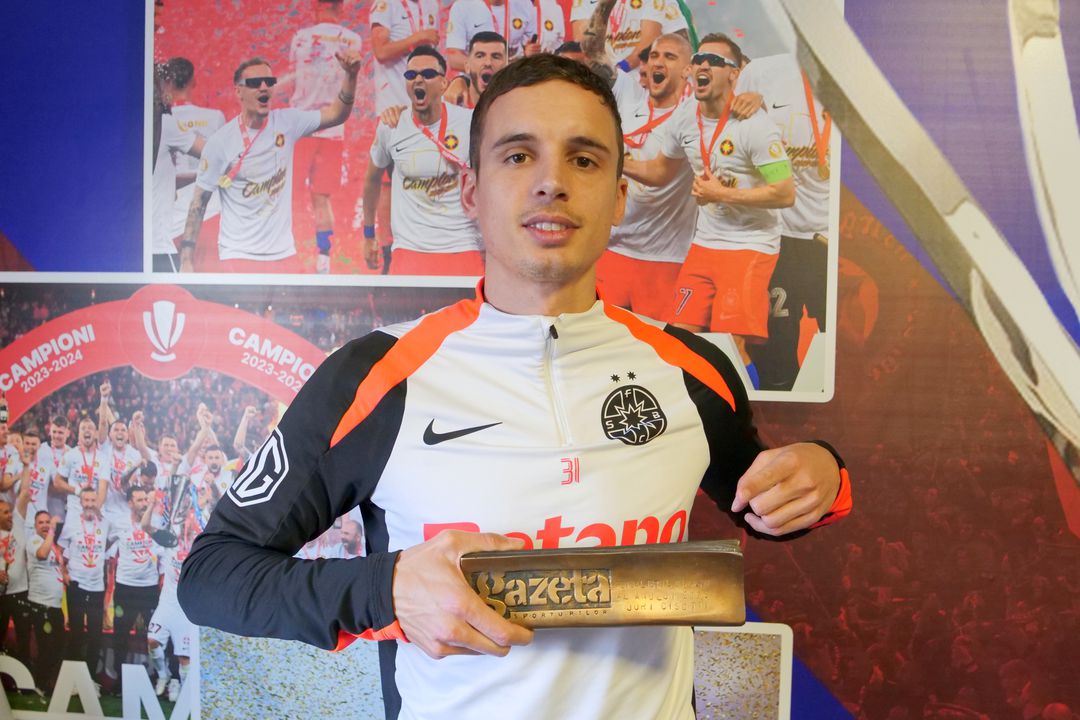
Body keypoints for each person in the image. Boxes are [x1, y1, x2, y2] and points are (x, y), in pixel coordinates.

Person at [180, 55, 851, 719]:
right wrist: (387, 588)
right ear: (472, 192)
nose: (551, 183)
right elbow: (212, 576)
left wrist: (823, 472)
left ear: (620, 196)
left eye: (583, 159)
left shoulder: (694, 368)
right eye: (519, 156)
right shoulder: (375, 374)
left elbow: (767, 502)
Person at [623, 33, 795, 388]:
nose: (704, 65)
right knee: (679, 339)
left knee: (732, 345)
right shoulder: (685, 117)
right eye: (699, 59)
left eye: (715, 61)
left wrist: (721, 194)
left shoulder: (756, 125)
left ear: (734, 73)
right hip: (704, 245)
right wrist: (616, 161)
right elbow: (660, 171)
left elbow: (784, 193)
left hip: (750, 246)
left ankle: (749, 412)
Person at [179, 52, 362, 273]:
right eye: (255, 83)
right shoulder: (220, 143)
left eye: (269, 81)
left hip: (284, 255)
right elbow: (199, 203)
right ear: (238, 91)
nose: (264, 87)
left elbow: (336, 114)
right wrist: (186, 259)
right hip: (239, 256)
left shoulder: (287, 122)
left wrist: (351, 76)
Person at [582, 16, 695, 320]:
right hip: (613, 251)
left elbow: (659, 175)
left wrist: (752, 98)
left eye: (669, 57)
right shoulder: (629, 96)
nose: (658, 62)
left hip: (665, 259)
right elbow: (593, 52)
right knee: (601, 339)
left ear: (688, 70)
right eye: (654, 55)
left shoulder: (692, 116)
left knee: (659, 345)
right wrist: (604, 9)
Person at [734, 53, 832, 391]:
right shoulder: (763, 72)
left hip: (833, 242)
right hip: (779, 238)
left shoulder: (863, 82)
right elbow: (730, 143)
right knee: (776, 349)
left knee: (842, 346)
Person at [362, 46, 482, 275]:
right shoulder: (391, 126)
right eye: (411, 75)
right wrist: (368, 235)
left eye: (427, 74)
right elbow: (371, 180)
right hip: (410, 251)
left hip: (463, 247)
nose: (418, 79)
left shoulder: (471, 123)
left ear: (444, 83)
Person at [286, 0, 363, 274]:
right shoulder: (352, 40)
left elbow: (293, 81)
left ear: (315, 6)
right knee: (322, 198)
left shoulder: (300, 38)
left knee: (290, 197)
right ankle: (324, 259)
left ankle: (290, 254)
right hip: (332, 128)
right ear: (340, 7)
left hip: (301, 128)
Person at [162, 57, 227, 271]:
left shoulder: (163, 120)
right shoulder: (215, 117)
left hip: (172, 221)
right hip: (208, 217)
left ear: (167, 82)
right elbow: (224, 161)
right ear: (194, 82)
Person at [106, 486, 160, 690]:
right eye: (139, 500)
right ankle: (119, 680)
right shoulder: (119, 523)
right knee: (120, 634)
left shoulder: (156, 521)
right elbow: (105, 544)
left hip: (149, 587)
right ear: (129, 503)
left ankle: (159, 678)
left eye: (146, 499)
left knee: (156, 635)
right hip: (125, 587)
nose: (144, 503)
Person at [58, 488, 112, 679]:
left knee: (95, 635)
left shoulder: (105, 523)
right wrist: (64, 573)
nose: (89, 504)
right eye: (86, 500)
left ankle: (91, 680)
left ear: (98, 502)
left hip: (97, 587)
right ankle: (73, 679)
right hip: (76, 586)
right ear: (80, 502)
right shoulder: (71, 523)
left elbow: (111, 544)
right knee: (76, 633)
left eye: (92, 500)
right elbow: (60, 551)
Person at [25, 507, 66, 693]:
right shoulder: (34, 541)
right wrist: (52, 531)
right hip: (41, 604)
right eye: (40, 522)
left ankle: (47, 683)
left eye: (47, 522)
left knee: (58, 646)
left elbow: (59, 571)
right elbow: (42, 555)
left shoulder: (53, 545)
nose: (44, 525)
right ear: (35, 526)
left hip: (55, 605)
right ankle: (40, 684)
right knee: (45, 646)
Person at [570, 0, 665, 71]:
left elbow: (650, 39)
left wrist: (621, 68)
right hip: (599, 78)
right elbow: (582, 44)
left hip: (638, 79)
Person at [446, 0, 535, 69]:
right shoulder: (462, 7)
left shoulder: (525, 4)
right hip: (475, 81)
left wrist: (529, 52)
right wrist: (489, 68)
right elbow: (454, 59)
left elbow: (531, 48)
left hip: (513, 78)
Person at [444, 32, 508, 109]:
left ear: (506, 67)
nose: (488, 63)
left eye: (496, 57)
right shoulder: (448, 108)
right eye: (480, 56)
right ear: (467, 66)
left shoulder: (514, 108)